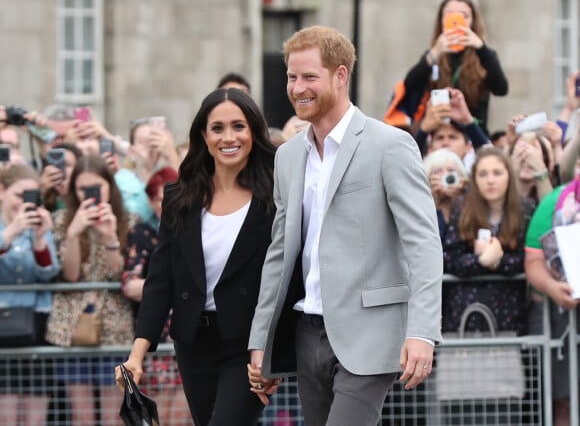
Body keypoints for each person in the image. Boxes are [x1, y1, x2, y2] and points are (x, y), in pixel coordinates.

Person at [247, 25, 443, 426]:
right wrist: (260, 342)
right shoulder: (286, 158)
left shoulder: (390, 145)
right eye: (291, 77)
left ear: (340, 76)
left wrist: (423, 331)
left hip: (371, 333)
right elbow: (281, 253)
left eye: (309, 77)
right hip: (306, 333)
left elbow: (423, 243)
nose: (297, 88)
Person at [116, 88, 278, 426]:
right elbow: (161, 280)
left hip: (247, 346)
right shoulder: (180, 197)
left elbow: (286, 278)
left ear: (253, 132)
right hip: (193, 344)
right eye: (217, 128)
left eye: (239, 126)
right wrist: (137, 354)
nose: (228, 137)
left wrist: (275, 353)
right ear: (203, 136)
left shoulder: (275, 196)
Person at [45, 154, 134, 425]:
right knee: (82, 416)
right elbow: (70, 275)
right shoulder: (61, 220)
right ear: (74, 190)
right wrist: (74, 233)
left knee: (112, 415)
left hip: (115, 327)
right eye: (83, 188)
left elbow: (120, 274)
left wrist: (109, 237)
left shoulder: (127, 220)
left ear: (110, 186)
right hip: (71, 327)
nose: (90, 194)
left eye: (97, 186)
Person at [121, 166, 190, 424]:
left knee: (186, 414)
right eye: (160, 199)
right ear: (149, 201)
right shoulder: (143, 233)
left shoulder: (192, 227)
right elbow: (130, 284)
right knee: (160, 416)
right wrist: (168, 285)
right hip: (157, 337)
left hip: (189, 333)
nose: (167, 205)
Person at [442, 147, 535, 335]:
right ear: (474, 179)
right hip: (464, 314)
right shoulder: (461, 209)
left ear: (509, 176)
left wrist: (499, 261)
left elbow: (530, 259)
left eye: (497, 173)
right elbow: (449, 260)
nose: (490, 180)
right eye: (483, 174)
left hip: (509, 314)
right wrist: (481, 261)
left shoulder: (526, 209)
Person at [0, 164, 60, 425]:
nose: (24, 203)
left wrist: (39, 239)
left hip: (37, 322)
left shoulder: (40, 226)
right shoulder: (8, 229)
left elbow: (49, 272)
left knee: (36, 413)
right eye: (18, 195)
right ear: (1, 191)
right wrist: (10, 232)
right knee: (7, 411)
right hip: (4, 323)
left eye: (31, 196)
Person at [404, 0, 508, 133]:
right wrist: (435, 53)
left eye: (464, 16)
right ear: (441, 21)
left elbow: (501, 88)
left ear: (473, 21)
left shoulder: (484, 55)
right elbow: (409, 85)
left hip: (473, 134)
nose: (456, 21)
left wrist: (481, 48)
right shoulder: (434, 56)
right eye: (450, 15)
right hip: (438, 134)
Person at [525, 178, 579, 426]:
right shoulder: (554, 202)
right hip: (561, 318)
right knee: (563, 401)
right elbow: (533, 259)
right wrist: (552, 287)